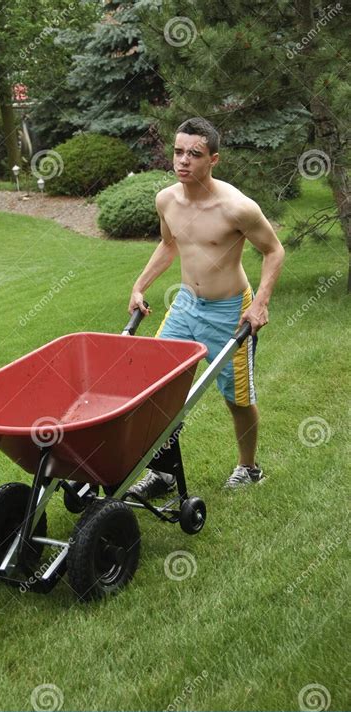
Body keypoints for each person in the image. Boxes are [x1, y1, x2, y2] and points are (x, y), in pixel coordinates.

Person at [126, 116, 285, 495]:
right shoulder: (166, 200)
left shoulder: (236, 208)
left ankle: (249, 468)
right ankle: (163, 473)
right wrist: (139, 286)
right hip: (185, 305)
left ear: (213, 159)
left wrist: (260, 304)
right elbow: (169, 245)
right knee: (155, 387)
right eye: (178, 152)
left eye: (194, 154)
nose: (183, 161)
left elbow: (274, 251)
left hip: (230, 311)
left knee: (237, 398)